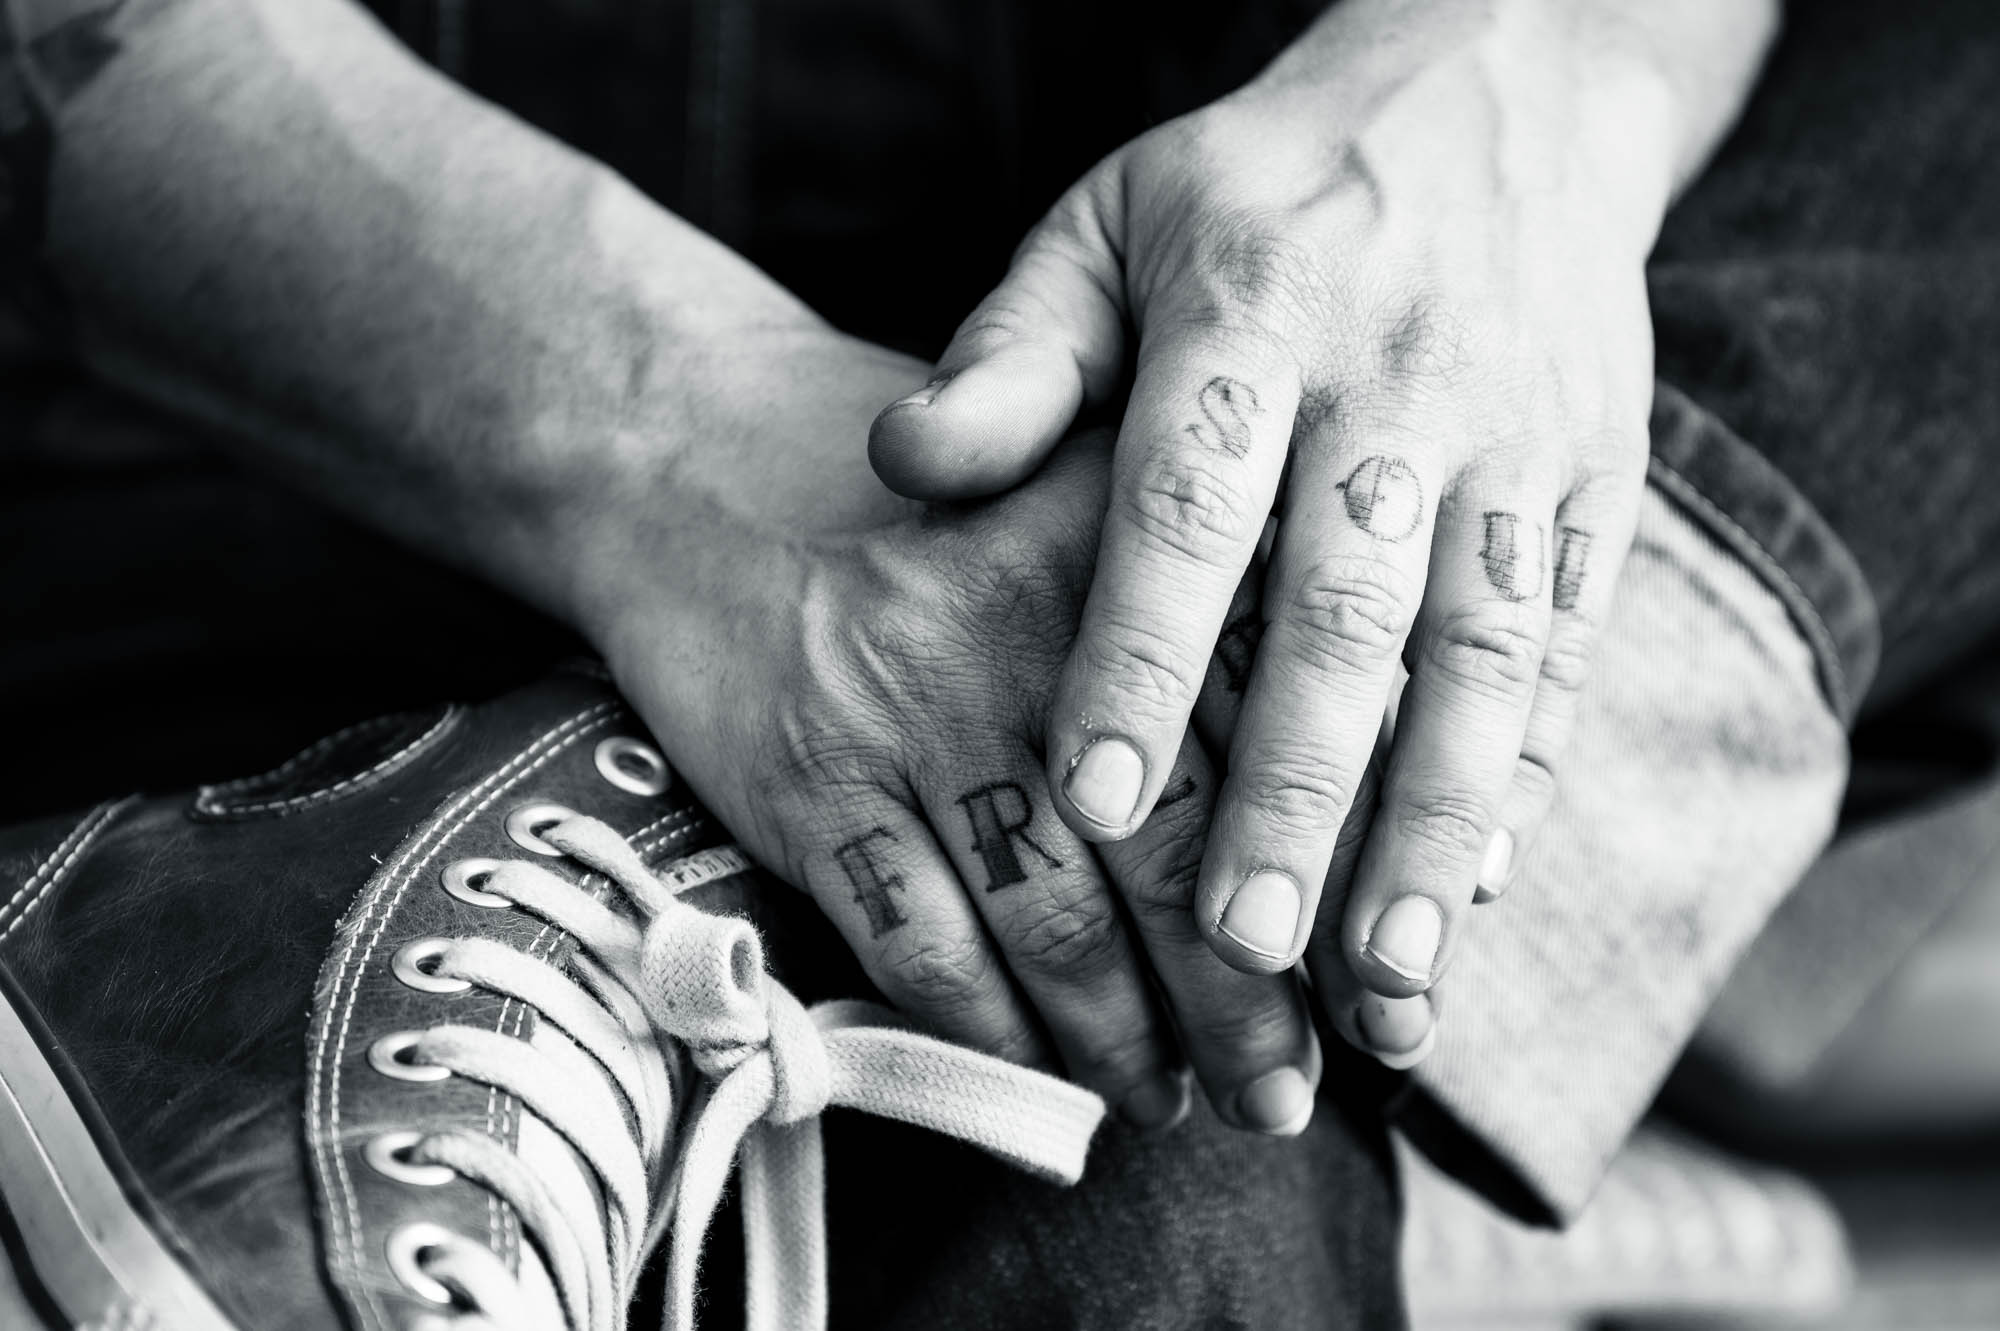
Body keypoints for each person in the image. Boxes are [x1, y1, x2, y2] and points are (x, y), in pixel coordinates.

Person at [2, 0, 1996, 1322]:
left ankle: (636, 850)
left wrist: (1525, 82)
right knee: (1162, 1207)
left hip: (1327, 389)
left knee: (1151, 1120)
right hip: (265, 479)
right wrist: (676, 448)